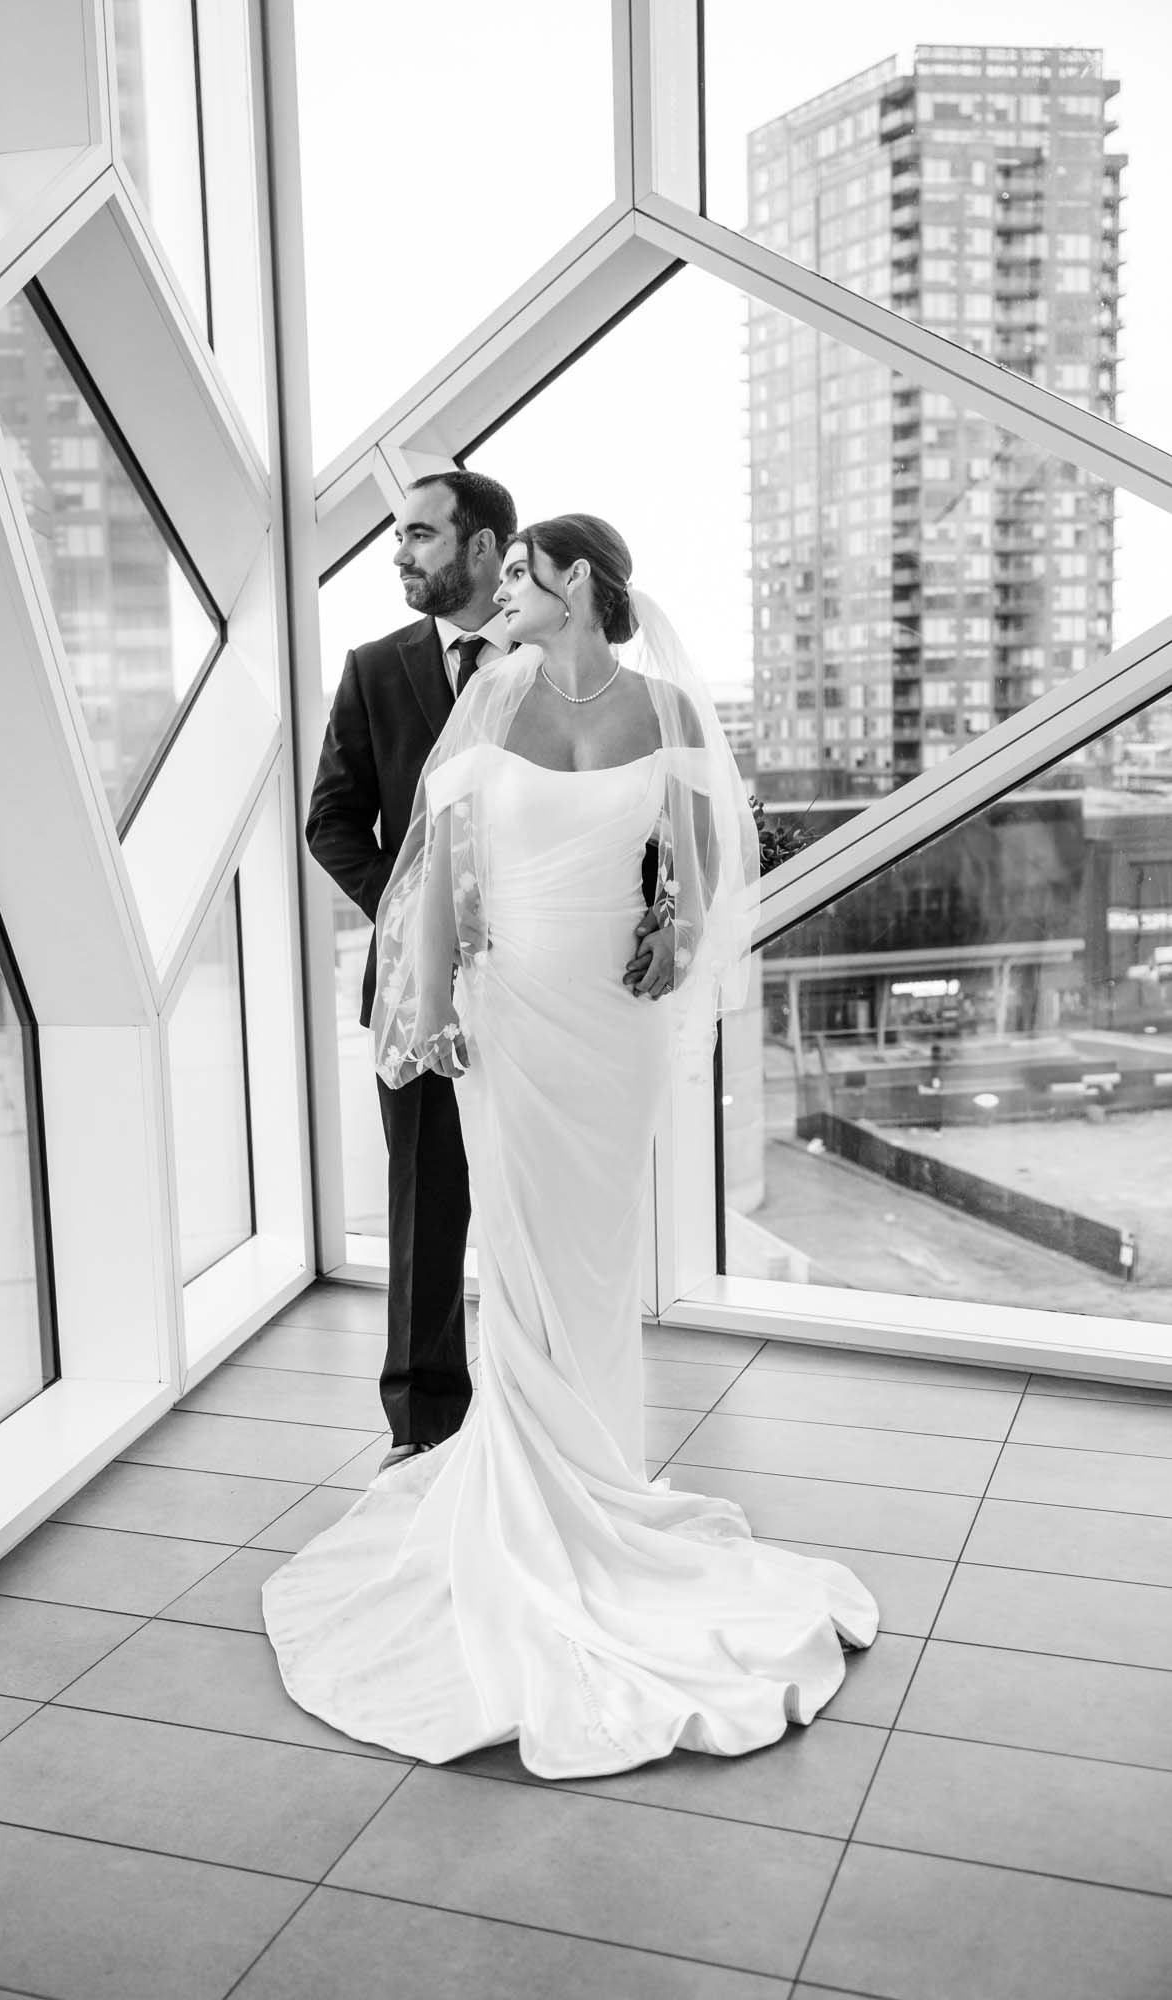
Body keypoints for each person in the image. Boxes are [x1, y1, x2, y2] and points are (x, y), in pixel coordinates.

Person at [268, 515, 878, 1779]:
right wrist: (429, 1004)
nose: (504, 596)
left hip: (613, 1018)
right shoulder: (491, 698)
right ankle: (531, 1488)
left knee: (595, 1255)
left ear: (578, 586)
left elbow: (716, 847)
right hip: (512, 1008)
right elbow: (437, 866)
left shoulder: (660, 705)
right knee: (525, 1248)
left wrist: (676, 922)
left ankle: (598, 1476)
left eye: (526, 582)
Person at [306, 470, 518, 1473]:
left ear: (480, 548)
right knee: (425, 1209)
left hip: (540, 983)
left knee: (535, 1203)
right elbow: (330, 819)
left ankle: (544, 1419)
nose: (401, 552)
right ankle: (421, 1425)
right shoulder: (372, 667)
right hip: (413, 993)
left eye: (422, 535)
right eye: (398, 536)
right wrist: (405, 917)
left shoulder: (554, 658)